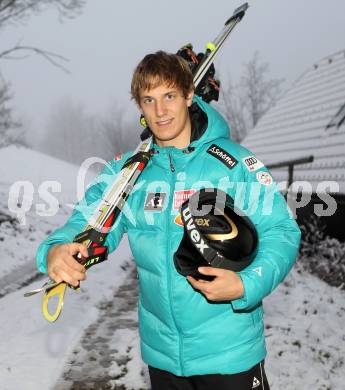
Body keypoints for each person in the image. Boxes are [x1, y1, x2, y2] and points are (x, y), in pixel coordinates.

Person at [36, 51, 301, 390]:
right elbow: (87, 220)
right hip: (162, 359)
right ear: (140, 107)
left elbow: (282, 231)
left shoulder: (233, 162)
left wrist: (245, 285)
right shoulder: (128, 170)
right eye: (149, 100)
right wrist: (57, 249)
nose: (160, 111)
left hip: (229, 354)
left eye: (169, 96)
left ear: (189, 95)